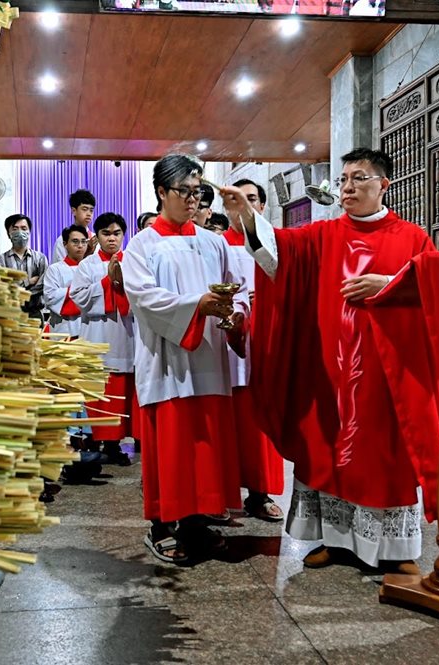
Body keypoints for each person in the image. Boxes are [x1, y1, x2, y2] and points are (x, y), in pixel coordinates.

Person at [224, 147, 438, 574]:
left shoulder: (412, 238)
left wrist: (390, 283)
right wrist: (245, 215)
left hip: (385, 374)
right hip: (331, 371)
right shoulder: (322, 235)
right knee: (328, 452)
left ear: (383, 184)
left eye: (359, 178)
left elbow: (436, 287)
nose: (347, 187)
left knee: (384, 456)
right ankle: (335, 542)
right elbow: (277, 255)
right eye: (342, 179)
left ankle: (396, 552)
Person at [122, 153, 246, 564]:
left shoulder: (213, 242)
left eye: (198, 192)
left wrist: (233, 314)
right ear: (161, 192)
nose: (193, 200)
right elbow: (145, 300)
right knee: (171, 448)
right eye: (184, 192)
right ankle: (161, 525)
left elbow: (236, 289)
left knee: (204, 447)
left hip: (209, 360)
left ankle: (196, 524)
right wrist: (198, 306)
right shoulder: (142, 246)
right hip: (168, 360)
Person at [223, 178, 285, 523]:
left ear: (262, 207)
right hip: (226, 345)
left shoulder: (278, 245)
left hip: (266, 341)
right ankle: (224, 492)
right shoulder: (213, 245)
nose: (243, 206)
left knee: (261, 421)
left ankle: (260, 495)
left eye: (251, 200)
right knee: (228, 421)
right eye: (236, 200)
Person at [71, 212, 138, 466]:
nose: (112, 238)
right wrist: (106, 281)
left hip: (125, 334)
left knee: (121, 393)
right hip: (98, 334)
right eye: (106, 233)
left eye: (117, 233)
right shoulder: (87, 265)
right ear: (97, 237)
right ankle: (96, 442)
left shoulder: (132, 261)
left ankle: (115, 444)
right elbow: (78, 297)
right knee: (100, 393)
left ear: (123, 235)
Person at [0, 214, 49, 320]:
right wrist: (28, 282)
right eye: (15, 229)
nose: (20, 232)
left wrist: (17, 290)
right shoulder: (0, 260)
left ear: (29, 232)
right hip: (10, 315)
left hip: (34, 314)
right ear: (8, 233)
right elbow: (3, 288)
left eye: (24, 228)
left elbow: (43, 285)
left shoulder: (40, 258)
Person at [43, 225, 87, 338]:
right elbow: (51, 297)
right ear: (65, 244)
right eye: (75, 242)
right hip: (63, 329)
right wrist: (82, 292)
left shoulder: (91, 268)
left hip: (88, 329)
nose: (80, 246)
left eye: (83, 241)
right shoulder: (55, 269)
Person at [51, 189, 97, 262]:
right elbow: (60, 268)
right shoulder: (63, 240)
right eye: (85, 209)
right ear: (74, 211)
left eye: (91, 210)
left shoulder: (96, 240)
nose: (89, 214)